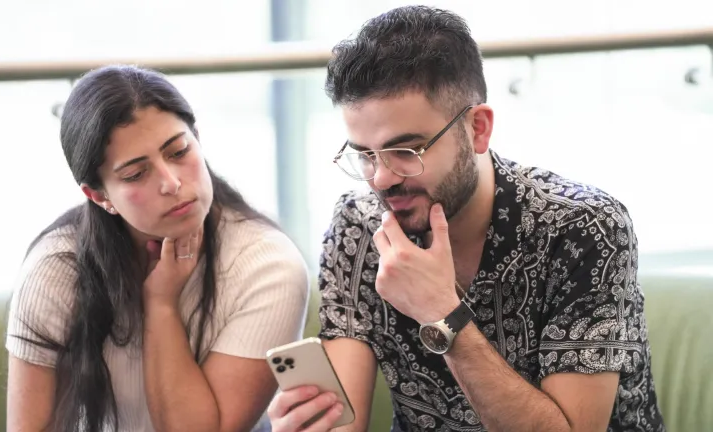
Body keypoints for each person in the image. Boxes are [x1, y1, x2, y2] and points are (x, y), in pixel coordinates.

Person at [267, 5, 664, 432]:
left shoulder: (584, 228)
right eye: (364, 154)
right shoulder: (359, 226)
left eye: (407, 151)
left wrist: (443, 315)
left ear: (477, 128)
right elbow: (344, 421)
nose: (381, 179)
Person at [5, 65, 310, 432]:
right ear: (99, 196)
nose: (171, 182)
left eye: (179, 151)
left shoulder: (268, 266)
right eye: (136, 174)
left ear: (197, 137)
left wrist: (161, 306)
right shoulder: (57, 266)